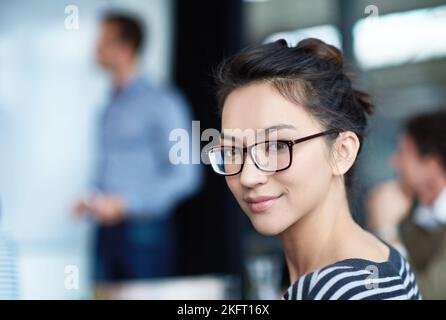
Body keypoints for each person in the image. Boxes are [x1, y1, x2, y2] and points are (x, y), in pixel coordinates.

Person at [207, 38, 420, 300]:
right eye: (232, 151)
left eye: (276, 146)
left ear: (342, 152)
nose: (248, 176)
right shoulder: (376, 260)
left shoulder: (352, 291)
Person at [73, 13, 201, 281]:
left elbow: (186, 175)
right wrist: (93, 200)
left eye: (103, 40)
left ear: (125, 48)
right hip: (106, 232)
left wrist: (126, 203)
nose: (95, 48)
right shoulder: (109, 104)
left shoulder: (163, 102)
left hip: (145, 234)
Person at [367, 110, 446, 299]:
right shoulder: (412, 209)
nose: (394, 162)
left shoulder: (402, 215)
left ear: (431, 164)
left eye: (403, 152)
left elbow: (424, 294)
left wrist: (386, 229)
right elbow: (372, 284)